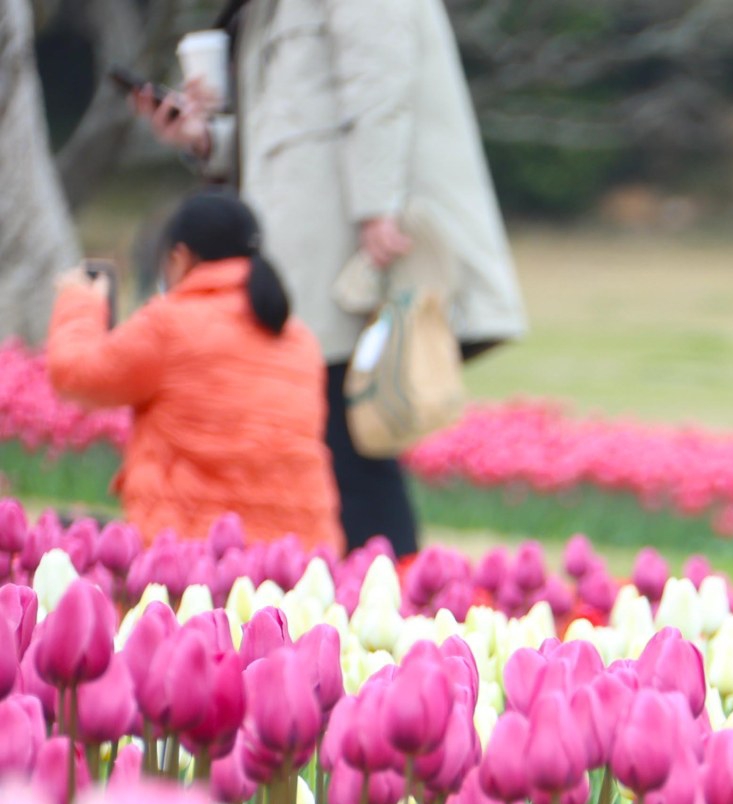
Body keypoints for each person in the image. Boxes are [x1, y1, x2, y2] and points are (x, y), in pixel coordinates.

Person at [134, 0, 527, 556]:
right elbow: (293, 119)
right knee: (329, 432)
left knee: (348, 429)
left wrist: (377, 208)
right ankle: (369, 585)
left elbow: (380, 84)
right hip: (307, 242)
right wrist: (205, 138)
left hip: (346, 244)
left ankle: (386, 587)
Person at [45, 191, 339, 550]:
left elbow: (76, 375)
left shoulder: (168, 325)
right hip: (298, 557)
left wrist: (80, 301)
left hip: (192, 552)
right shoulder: (299, 339)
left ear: (180, 258)